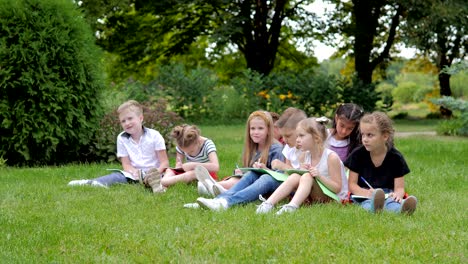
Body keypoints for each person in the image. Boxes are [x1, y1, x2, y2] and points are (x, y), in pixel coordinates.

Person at [68, 100, 169, 191]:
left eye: (130, 118)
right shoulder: (121, 138)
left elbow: (164, 162)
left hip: (156, 174)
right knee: (117, 176)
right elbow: (126, 164)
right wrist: (135, 173)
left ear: (141, 118)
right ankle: (91, 182)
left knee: (166, 178)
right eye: (123, 121)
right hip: (135, 175)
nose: (127, 123)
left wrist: (153, 174)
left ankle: (155, 185)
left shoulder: (154, 135)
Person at [193, 110, 285, 211]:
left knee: (265, 177)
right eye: (252, 129)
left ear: (268, 130)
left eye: (260, 129)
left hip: (275, 183)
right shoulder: (253, 147)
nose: (255, 132)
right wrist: (242, 171)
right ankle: (218, 200)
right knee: (251, 174)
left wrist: (266, 169)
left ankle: (225, 202)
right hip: (259, 180)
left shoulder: (277, 149)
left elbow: (281, 175)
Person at [257, 117, 348, 214]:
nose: (297, 140)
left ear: (316, 138)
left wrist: (319, 176)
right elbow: (300, 181)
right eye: (297, 136)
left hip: (334, 198)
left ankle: (292, 207)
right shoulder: (305, 155)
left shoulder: (331, 157)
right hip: (317, 196)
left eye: (301, 136)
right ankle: (268, 203)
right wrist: (301, 170)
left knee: (307, 176)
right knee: (295, 176)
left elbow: (337, 188)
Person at [345, 112, 417, 214]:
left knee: (392, 203)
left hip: (388, 194)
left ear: (385, 136)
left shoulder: (396, 158)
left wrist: (397, 195)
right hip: (365, 194)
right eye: (363, 135)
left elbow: (399, 188)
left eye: (370, 135)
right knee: (366, 204)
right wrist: (366, 193)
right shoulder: (357, 155)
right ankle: (373, 208)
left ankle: (402, 209)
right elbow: (352, 185)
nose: (365, 139)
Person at [155, 124, 219, 191]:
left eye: (191, 151)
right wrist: (179, 166)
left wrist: (193, 165)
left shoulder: (207, 144)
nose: (188, 154)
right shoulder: (182, 145)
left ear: (197, 141)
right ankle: (165, 184)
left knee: (192, 174)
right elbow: (178, 165)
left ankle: (162, 183)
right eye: (186, 152)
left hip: (206, 173)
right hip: (187, 173)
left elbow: (215, 167)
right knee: (169, 170)